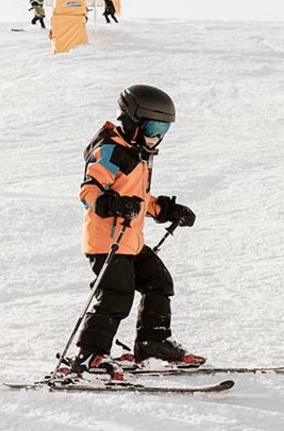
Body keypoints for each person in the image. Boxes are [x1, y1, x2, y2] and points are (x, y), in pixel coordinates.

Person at [62, 85, 203, 379]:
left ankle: (153, 342)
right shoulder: (110, 150)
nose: (156, 136)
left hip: (130, 242)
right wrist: (113, 203)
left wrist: (166, 211)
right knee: (116, 296)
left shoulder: (138, 154)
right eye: (151, 126)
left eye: (162, 129)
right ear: (131, 120)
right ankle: (90, 355)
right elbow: (88, 191)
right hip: (106, 242)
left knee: (159, 281)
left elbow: (139, 198)